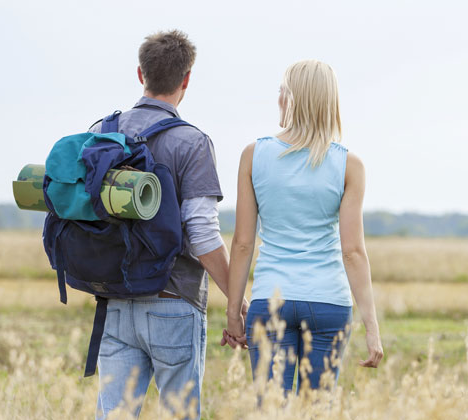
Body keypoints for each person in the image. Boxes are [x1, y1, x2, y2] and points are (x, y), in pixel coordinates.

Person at [91, 30, 247, 419]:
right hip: (174, 300)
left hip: (113, 300)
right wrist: (235, 299)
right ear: (187, 79)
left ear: (140, 74)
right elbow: (202, 233)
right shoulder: (191, 142)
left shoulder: (99, 133)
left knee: (113, 414)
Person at [222, 59, 384, 392]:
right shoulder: (349, 164)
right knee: (317, 410)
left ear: (293, 99)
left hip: (271, 301)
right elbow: (353, 252)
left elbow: (242, 243)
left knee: (269, 411)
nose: (278, 98)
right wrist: (371, 327)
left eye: (282, 91)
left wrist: (233, 313)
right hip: (329, 303)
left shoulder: (253, 155)